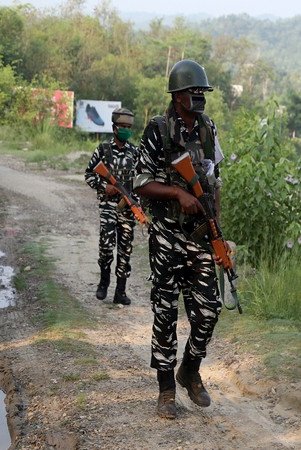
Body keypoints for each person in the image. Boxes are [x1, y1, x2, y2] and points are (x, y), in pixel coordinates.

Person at [134, 59, 226, 420]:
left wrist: (215, 224)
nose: (199, 97)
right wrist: (178, 195)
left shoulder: (208, 128)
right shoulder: (158, 129)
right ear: (177, 95)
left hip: (199, 236)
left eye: (202, 91)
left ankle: (189, 370)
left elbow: (216, 178)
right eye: (193, 91)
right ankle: (166, 390)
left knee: (209, 310)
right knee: (166, 312)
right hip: (167, 235)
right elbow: (140, 183)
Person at [85, 107, 139, 306]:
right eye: (122, 127)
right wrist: (104, 186)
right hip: (108, 206)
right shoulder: (103, 150)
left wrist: (135, 201)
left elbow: (141, 180)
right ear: (114, 128)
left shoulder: (135, 151)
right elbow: (89, 174)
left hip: (127, 209)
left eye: (129, 127)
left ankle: (121, 291)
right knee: (106, 247)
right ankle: (103, 283)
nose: (126, 130)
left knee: (125, 250)